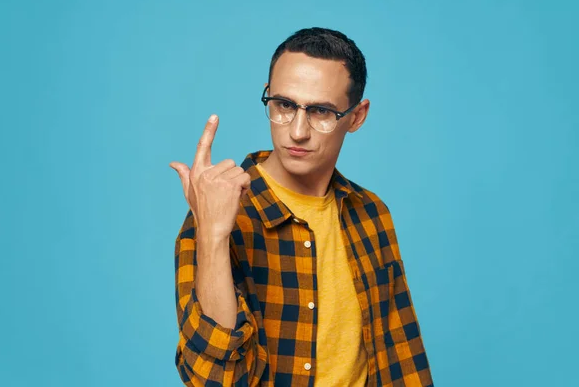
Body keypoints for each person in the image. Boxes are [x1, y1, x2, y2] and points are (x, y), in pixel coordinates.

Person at [170, 27, 433, 387]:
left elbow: (402, 357)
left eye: (321, 111)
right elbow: (214, 380)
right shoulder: (217, 211)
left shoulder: (371, 214)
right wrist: (213, 237)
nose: (297, 131)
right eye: (284, 105)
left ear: (356, 117)